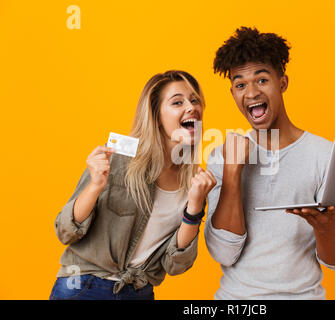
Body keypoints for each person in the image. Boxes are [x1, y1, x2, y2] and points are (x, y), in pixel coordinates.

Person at [204, 27, 335, 299]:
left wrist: (325, 228)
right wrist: (232, 172)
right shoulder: (222, 156)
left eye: (262, 80)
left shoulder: (326, 154)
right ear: (233, 94)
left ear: (282, 83)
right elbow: (224, 253)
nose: (251, 92)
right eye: (240, 84)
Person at [50, 70, 216, 300]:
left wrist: (194, 209)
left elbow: (175, 265)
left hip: (139, 292)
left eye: (195, 100)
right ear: (156, 116)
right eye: (178, 102)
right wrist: (95, 186)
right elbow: (65, 231)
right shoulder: (119, 158)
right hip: (85, 287)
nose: (191, 107)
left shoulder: (194, 183)